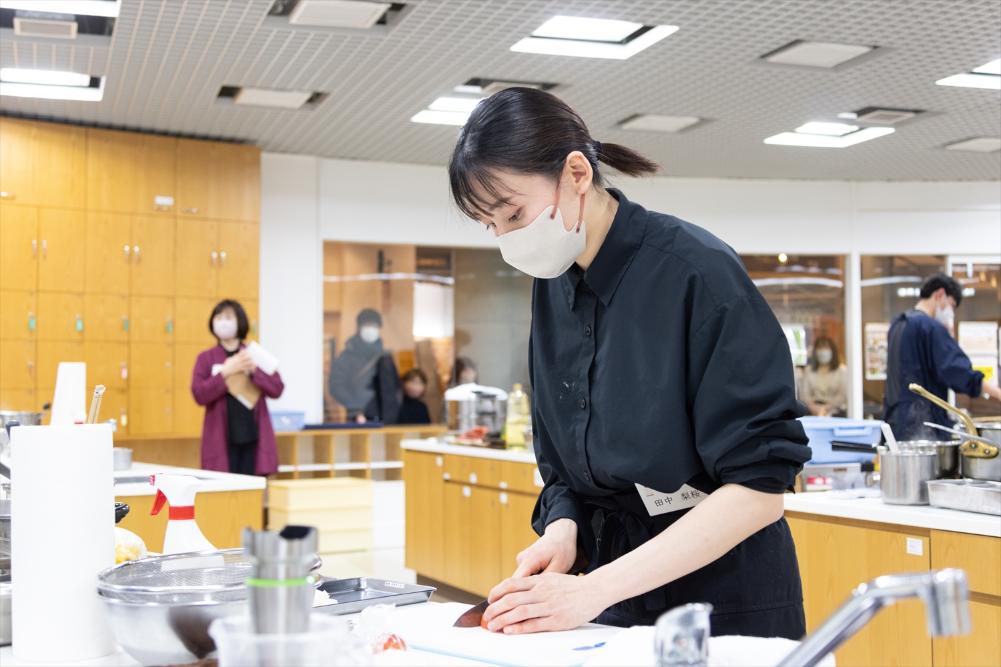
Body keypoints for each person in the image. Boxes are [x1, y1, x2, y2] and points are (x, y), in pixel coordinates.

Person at [448, 88, 811, 638]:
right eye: (490, 225)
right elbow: (563, 463)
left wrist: (594, 590)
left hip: (723, 603)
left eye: (513, 213)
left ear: (576, 174)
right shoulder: (553, 288)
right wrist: (562, 529)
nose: (506, 238)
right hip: (611, 594)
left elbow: (759, 491)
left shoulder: (697, 273)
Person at [884, 273, 1001, 439]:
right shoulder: (930, 327)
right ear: (940, 295)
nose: (951, 313)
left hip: (895, 423)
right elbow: (956, 370)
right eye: (952, 306)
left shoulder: (898, 324)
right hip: (921, 428)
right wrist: (997, 393)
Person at [191, 300, 284, 476]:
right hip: (221, 438)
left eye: (228, 317)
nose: (222, 322)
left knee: (251, 492)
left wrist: (254, 371)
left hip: (253, 436)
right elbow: (199, 394)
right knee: (223, 490)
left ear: (239, 321)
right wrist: (225, 372)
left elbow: (277, 388)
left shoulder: (254, 353)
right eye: (218, 317)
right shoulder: (206, 358)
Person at [329, 308, 401, 423]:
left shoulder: (385, 357)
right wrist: (355, 409)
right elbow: (336, 386)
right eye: (367, 325)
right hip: (359, 417)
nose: (371, 329)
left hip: (388, 419)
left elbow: (395, 387)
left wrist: (394, 412)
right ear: (359, 328)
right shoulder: (347, 357)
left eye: (374, 325)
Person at [801, 336, 848, 417]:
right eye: (820, 348)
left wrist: (826, 408)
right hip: (812, 411)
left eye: (826, 348)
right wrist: (815, 408)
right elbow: (804, 395)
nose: (823, 351)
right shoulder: (808, 370)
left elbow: (842, 396)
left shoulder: (842, 371)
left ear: (832, 351)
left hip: (836, 411)